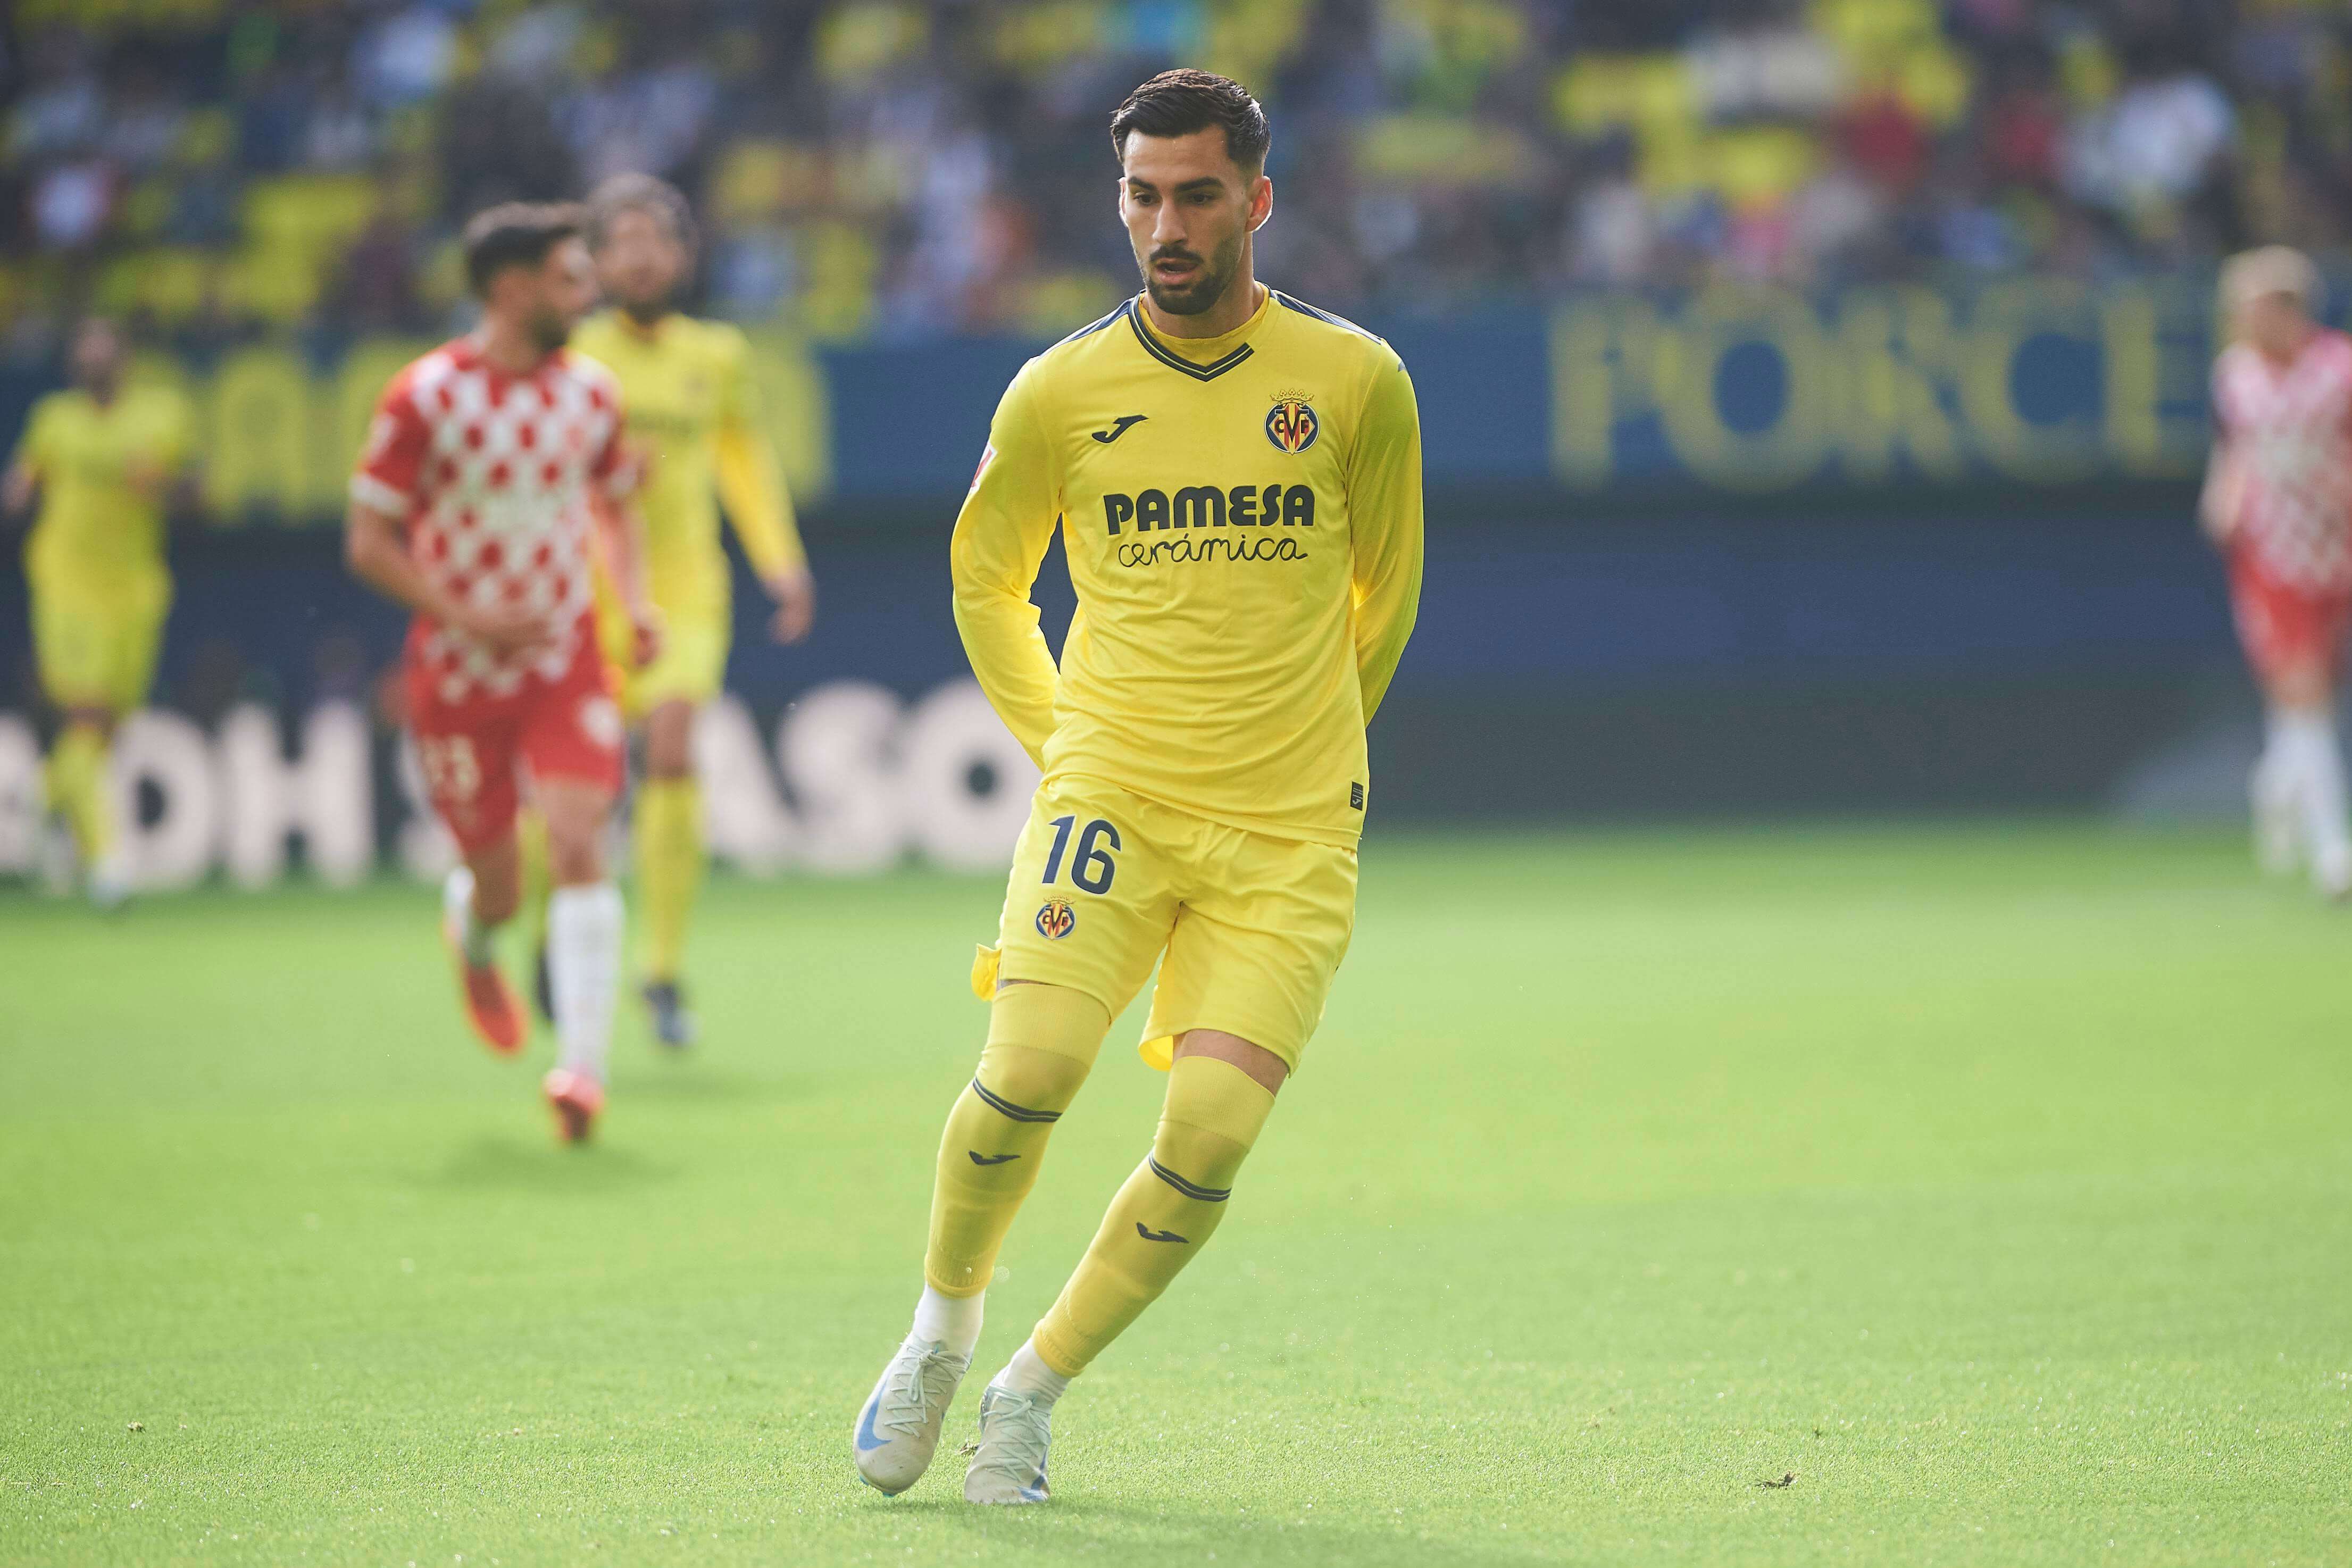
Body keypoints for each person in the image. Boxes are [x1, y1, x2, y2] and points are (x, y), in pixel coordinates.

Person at [850, 70, 1423, 1504]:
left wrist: (1307, 748)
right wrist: (1066, 741)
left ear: (1256, 200)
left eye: (1195, 196)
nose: (1166, 226)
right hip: (1108, 798)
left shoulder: (1355, 380)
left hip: (1287, 830)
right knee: (1028, 1076)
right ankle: (939, 1330)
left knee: (1212, 1132)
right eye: (1142, 196)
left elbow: (1387, 595)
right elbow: (985, 581)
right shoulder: (1058, 390)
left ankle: (1026, 1391)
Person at [344, 202, 661, 1142]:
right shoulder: (425, 396)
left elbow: (618, 506)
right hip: (457, 672)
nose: (590, 294)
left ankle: (583, 1071)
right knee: (500, 885)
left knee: (578, 839)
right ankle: (473, 931)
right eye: (571, 279)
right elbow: (368, 540)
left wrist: (635, 603)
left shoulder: (593, 393)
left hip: (565, 661)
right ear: (513, 288)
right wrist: (465, 614)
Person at [561, 172, 816, 1047]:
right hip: (584, 596)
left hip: (685, 591)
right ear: (596, 263)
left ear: (682, 255)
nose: (640, 258)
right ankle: (553, 930)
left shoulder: (716, 355)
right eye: (622, 243)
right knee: (572, 795)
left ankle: (660, 968)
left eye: (655, 241)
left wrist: (780, 562)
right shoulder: (573, 354)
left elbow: (743, 459)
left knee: (672, 745)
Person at [2, 317, 195, 908]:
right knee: (86, 715)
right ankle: (107, 863)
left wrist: (164, 486)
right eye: (84, 355)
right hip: (68, 585)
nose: (94, 363)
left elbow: (196, 496)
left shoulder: (162, 414)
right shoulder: (54, 420)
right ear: (74, 366)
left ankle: (40, 797)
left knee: (106, 732)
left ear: (124, 359)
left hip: (135, 589)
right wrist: (19, 493)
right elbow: (21, 487)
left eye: (103, 353)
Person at [2203, 246, 2352, 897]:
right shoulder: (2234, 375)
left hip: (2338, 549)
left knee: (2310, 698)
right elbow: (2236, 449)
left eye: (2253, 308)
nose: (2242, 321)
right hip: (2272, 553)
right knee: (2301, 688)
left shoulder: (2338, 370)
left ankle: (2275, 782)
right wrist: (2223, 495)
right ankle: (2333, 848)